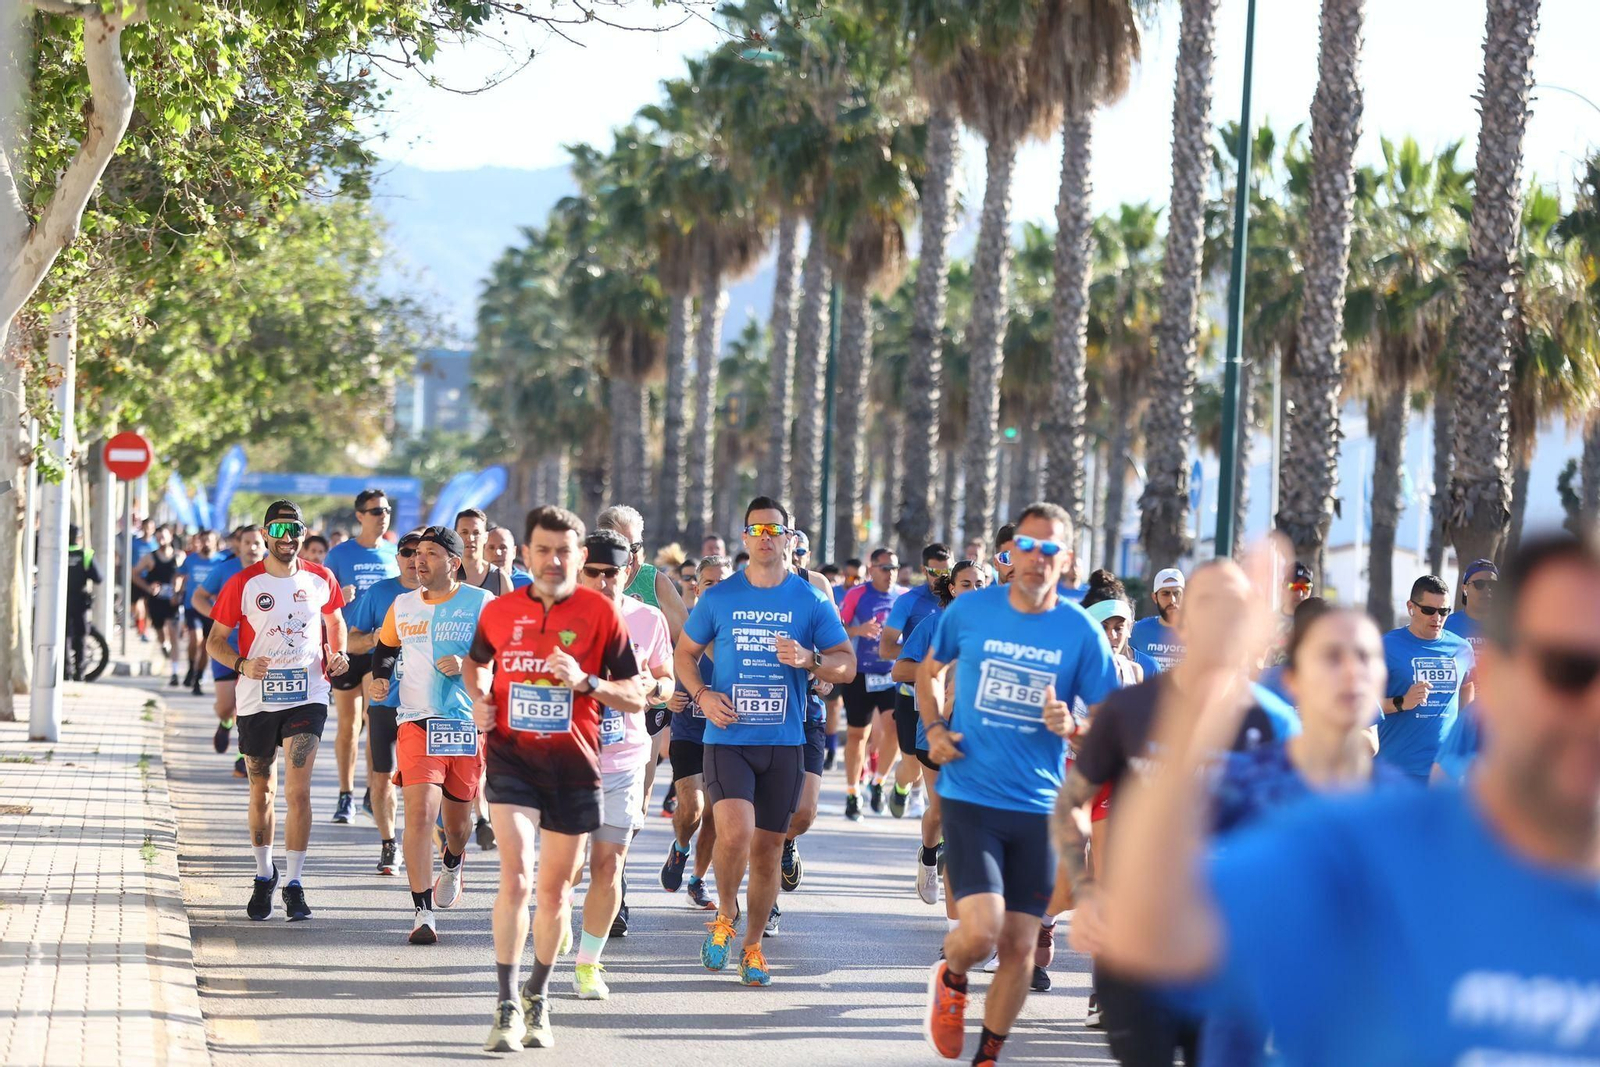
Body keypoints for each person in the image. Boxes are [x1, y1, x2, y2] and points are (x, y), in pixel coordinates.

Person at [1097, 533, 1600, 1065]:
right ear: (1494, 680)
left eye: (1362, 659)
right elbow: (1147, 934)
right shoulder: (1370, 836)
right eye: (1570, 672)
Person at [1054, 561, 1298, 1062]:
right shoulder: (1129, 710)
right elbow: (1069, 804)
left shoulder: (1276, 725)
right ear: (1182, 621)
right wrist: (1087, 889)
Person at [919, 503, 1119, 1065]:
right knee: (981, 932)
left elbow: (1108, 720)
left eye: (1050, 549)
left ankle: (988, 1054)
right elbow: (930, 673)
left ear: (1068, 560)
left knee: (1021, 950)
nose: (1036, 558)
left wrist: (1074, 725)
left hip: (1038, 806)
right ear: (1009, 556)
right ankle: (952, 974)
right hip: (971, 795)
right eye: (1025, 547)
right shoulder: (973, 610)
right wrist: (934, 728)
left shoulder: (1079, 632)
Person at [465, 505, 644, 1051]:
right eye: (542, 550)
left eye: (563, 551)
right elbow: (476, 663)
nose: (552, 560)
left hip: (575, 766)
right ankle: (506, 1002)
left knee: (554, 891)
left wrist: (587, 680)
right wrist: (480, 697)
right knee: (516, 877)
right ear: (526, 555)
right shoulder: (500, 611)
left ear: (580, 557)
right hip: (512, 761)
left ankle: (539, 996)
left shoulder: (601, 615)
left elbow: (635, 693)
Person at [673, 497, 854, 986]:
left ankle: (751, 945)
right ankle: (724, 915)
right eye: (757, 529)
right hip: (728, 737)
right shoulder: (719, 597)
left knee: (771, 848)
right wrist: (703, 695)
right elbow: (684, 654)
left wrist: (811, 660)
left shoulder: (810, 600)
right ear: (745, 538)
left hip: (785, 741)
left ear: (790, 539)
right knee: (734, 832)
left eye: (775, 529)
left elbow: (847, 663)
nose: (766, 536)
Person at [205, 501, 350, 922]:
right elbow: (215, 639)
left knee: (297, 791)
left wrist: (336, 653)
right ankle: (264, 874)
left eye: (295, 530)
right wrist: (241, 665)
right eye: (279, 530)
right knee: (262, 791)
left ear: (304, 534)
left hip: (308, 693)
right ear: (266, 534)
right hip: (256, 699)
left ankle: (294, 883)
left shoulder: (321, 577)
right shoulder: (243, 583)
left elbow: (334, 620)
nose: (287, 538)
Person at [367, 526, 493, 945]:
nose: (419, 560)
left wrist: (470, 663)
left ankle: (453, 861)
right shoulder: (402, 605)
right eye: (417, 553)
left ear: (454, 562)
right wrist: (381, 679)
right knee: (420, 813)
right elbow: (385, 650)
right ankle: (422, 913)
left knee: (457, 826)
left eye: (432, 554)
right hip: (416, 721)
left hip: (464, 725)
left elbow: (502, 658)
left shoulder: (481, 603)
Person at [571, 529, 674, 994]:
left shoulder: (649, 619)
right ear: (579, 570)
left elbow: (667, 680)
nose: (603, 581)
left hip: (625, 760)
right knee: (568, 869)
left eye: (612, 573)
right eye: (593, 572)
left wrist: (654, 689)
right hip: (567, 759)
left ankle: (588, 963)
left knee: (609, 865)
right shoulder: (557, 616)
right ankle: (558, 921)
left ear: (629, 571)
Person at [891, 560, 987, 916]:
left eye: (980, 584)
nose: (973, 591)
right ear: (952, 589)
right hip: (933, 728)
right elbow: (899, 669)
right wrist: (938, 670)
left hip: (979, 735)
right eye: (966, 584)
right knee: (942, 810)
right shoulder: (934, 626)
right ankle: (929, 855)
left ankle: (964, 913)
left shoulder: (995, 629)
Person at [775, 527, 847, 932]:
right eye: (790, 546)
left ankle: (788, 841)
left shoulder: (815, 584)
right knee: (760, 816)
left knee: (802, 812)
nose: (795, 554)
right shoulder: (746, 587)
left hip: (807, 708)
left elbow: (834, 650)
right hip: (762, 713)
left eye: (801, 549)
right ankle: (764, 904)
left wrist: (821, 671)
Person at [346, 528, 423, 877]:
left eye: (420, 552)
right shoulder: (379, 594)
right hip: (385, 703)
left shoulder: (446, 598)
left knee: (424, 784)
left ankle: (429, 842)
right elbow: (352, 641)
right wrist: (378, 638)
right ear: (398, 557)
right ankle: (389, 844)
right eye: (406, 552)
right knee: (382, 779)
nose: (413, 559)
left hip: (429, 706)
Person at [661, 555, 734, 912]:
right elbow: (657, 666)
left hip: (724, 732)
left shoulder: (739, 629)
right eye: (709, 583)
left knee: (715, 817)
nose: (717, 589)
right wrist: (666, 697)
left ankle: (698, 879)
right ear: (697, 587)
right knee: (692, 806)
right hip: (689, 728)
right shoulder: (684, 625)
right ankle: (680, 847)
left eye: (723, 583)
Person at [323, 489, 400, 824]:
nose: (382, 515)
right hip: (345, 645)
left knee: (373, 720)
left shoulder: (397, 552)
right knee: (348, 725)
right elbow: (322, 602)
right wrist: (340, 596)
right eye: (375, 511)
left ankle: (373, 790)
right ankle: (345, 795)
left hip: (378, 649)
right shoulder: (340, 555)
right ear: (360, 515)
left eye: (386, 509)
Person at [1378, 573, 1475, 781]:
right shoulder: (1386, 646)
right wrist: (1401, 702)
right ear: (1410, 607)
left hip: (1444, 771)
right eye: (1429, 610)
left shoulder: (1462, 649)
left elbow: (1466, 687)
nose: (1437, 618)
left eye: (1444, 611)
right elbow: (1363, 705)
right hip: (1396, 770)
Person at [882, 543, 955, 819]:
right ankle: (902, 787)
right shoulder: (910, 601)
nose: (940, 577)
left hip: (952, 698)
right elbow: (886, 648)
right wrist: (932, 666)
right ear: (925, 570)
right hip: (910, 692)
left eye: (945, 571)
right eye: (935, 571)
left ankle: (934, 813)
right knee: (911, 764)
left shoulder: (971, 610)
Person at [194, 526, 268, 772]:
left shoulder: (274, 571)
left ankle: (242, 756)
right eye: (247, 542)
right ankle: (225, 722)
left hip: (259, 651)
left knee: (251, 706)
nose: (252, 547)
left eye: (257, 542)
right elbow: (198, 597)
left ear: (265, 542)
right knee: (227, 706)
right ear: (239, 545)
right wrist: (220, 619)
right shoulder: (225, 570)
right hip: (227, 648)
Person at [839, 546, 906, 819]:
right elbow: (835, 628)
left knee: (894, 729)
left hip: (891, 674)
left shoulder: (903, 596)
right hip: (859, 673)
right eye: (885, 568)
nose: (891, 574)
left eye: (894, 568)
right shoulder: (858, 594)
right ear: (872, 569)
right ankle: (853, 792)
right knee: (858, 735)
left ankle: (878, 782)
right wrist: (858, 630)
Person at [133, 524, 185, 685]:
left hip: (173, 601)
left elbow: (184, 576)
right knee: (161, 632)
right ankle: (164, 645)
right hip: (156, 602)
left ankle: (174, 673)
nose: (161, 539)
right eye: (158, 537)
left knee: (173, 633)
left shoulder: (179, 556)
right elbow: (134, 574)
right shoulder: (150, 557)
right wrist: (148, 587)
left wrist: (178, 592)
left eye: (164, 536)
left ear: (170, 536)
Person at [174, 529, 221, 694]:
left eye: (210, 540)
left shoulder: (221, 561)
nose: (206, 543)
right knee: (195, 638)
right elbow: (179, 575)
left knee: (207, 646)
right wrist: (176, 592)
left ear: (215, 542)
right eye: (204, 540)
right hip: (192, 605)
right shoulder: (191, 560)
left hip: (213, 610)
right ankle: (190, 667)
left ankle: (198, 678)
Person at [65, 526, 102, 682]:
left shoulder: (58, 551)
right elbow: (99, 577)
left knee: (64, 635)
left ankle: (65, 672)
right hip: (79, 601)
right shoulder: (85, 554)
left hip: (62, 601)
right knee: (80, 635)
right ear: (79, 538)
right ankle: (79, 672)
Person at [1129, 567, 1185, 671]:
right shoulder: (1138, 631)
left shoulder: (1199, 633)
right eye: (1165, 594)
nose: (1172, 600)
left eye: (1177, 593)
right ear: (1155, 597)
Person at [456, 508, 508, 595]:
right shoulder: (443, 575)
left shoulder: (500, 580)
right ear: (455, 535)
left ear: (486, 537)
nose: (470, 538)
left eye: (476, 533)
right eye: (464, 532)